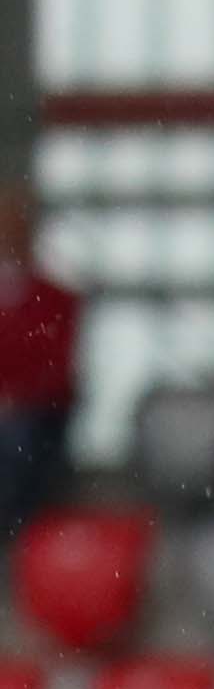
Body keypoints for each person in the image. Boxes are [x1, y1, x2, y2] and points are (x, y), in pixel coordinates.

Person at [0, 188, 75, 533]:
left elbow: (54, 366)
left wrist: (13, 398)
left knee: (17, 439)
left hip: (32, 416)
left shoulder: (56, 299)